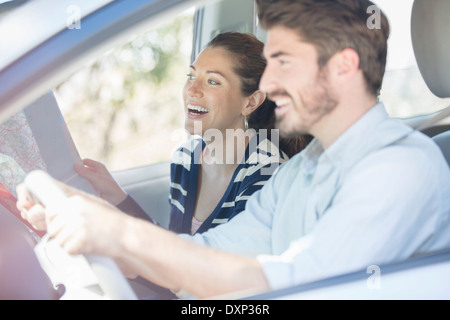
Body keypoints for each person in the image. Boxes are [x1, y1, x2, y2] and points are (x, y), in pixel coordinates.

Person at [17, 0, 450, 299]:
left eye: (283, 61)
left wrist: (124, 235)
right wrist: (104, 227)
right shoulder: (298, 173)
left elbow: (296, 288)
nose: (269, 83)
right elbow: (209, 254)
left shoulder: (400, 168)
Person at [75, 32, 310, 235]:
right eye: (191, 76)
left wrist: (125, 250)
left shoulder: (267, 171)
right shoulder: (185, 158)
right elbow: (174, 251)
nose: (192, 90)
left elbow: (212, 272)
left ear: (250, 102)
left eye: (212, 81)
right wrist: (118, 198)